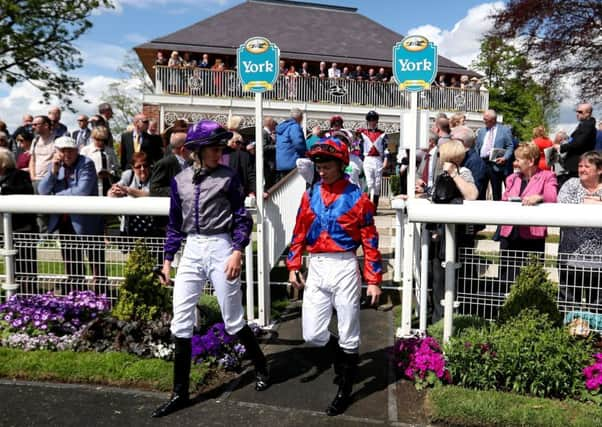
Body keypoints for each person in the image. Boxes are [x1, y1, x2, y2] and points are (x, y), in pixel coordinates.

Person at [152, 120, 270, 418]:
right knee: (180, 319)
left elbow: (243, 218)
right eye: (216, 148)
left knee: (232, 318)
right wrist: (167, 261)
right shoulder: (180, 181)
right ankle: (180, 392)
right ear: (199, 150)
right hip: (191, 249)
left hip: (221, 246)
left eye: (221, 147)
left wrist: (237, 251)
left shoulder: (229, 177)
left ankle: (262, 367)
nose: (221, 152)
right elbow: (175, 225)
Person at [287, 137, 382, 416]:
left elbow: (371, 242)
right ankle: (341, 358)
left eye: (327, 166)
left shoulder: (359, 200)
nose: (321, 171)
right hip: (316, 265)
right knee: (313, 333)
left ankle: (345, 391)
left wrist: (374, 280)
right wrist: (293, 264)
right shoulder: (309, 195)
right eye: (319, 166)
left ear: (341, 166)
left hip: (344, 265)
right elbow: (299, 232)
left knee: (349, 331)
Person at [38, 136, 105, 292]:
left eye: (70, 150)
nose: (66, 154)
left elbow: (82, 191)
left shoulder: (86, 163)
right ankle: (76, 294)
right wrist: (53, 171)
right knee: (70, 258)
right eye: (62, 150)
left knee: (95, 259)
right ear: (57, 152)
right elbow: (42, 190)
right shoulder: (55, 165)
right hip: (65, 220)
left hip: (87, 220)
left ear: (76, 151)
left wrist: (56, 197)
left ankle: (101, 293)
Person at [499, 142, 557, 283]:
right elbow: (504, 199)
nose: (515, 163)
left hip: (533, 234)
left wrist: (539, 197)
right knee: (507, 277)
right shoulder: (511, 179)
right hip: (510, 232)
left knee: (532, 277)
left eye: (518, 160)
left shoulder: (547, 176)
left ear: (530, 161)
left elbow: (553, 197)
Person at [557, 151, 602, 311]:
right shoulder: (571, 184)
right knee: (568, 305)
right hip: (570, 257)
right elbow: (562, 204)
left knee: (598, 308)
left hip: (599, 261)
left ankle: (596, 336)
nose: (581, 169)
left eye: (587, 166)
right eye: (580, 166)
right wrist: (591, 203)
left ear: (599, 170)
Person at [0, 148, 38, 290]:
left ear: (3, 162)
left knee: (25, 264)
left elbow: (25, 191)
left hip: (22, 228)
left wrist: (3, 189)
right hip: (3, 228)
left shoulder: (20, 176)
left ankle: (28, 295)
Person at [554, 103, 597, 188]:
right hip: (575, 165)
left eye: (580, 112)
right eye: (577, 111)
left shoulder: (588, 125)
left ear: (588, 113)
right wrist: (567, 138)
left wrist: (561, 147)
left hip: (579, 165)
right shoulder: (584, 124)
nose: (577, 114)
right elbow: (577, 141)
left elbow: (579, 143)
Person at [475, 109, 514, 200]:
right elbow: (477, 147)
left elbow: (510, 146)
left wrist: (505, 158)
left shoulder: (504, 130)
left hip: (496, 164)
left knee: (496, 192)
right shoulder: (481, 131)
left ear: (493, 120)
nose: (483, 121)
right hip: (482, 163)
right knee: (480, 190)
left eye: (486, 119)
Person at [359, 110, 388, 213]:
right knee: (369, 183)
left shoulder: (382, 134)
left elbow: (386, 149)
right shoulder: (362, 133)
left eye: (374, 120)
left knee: (377, 184)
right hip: (367, 159)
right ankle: (366, 208)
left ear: (377, 121)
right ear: (368, 121)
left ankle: (373, 208)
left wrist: (385, 160)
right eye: (370, 120)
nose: (372, 122)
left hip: (378, 159)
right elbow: (359, 148)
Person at [275, 107, 306, 178]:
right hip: (292, 162)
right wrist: (305, 153)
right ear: (299, 117)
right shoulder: (294, 127)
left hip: (281, 163)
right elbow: (298, 143)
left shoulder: (283, 127)